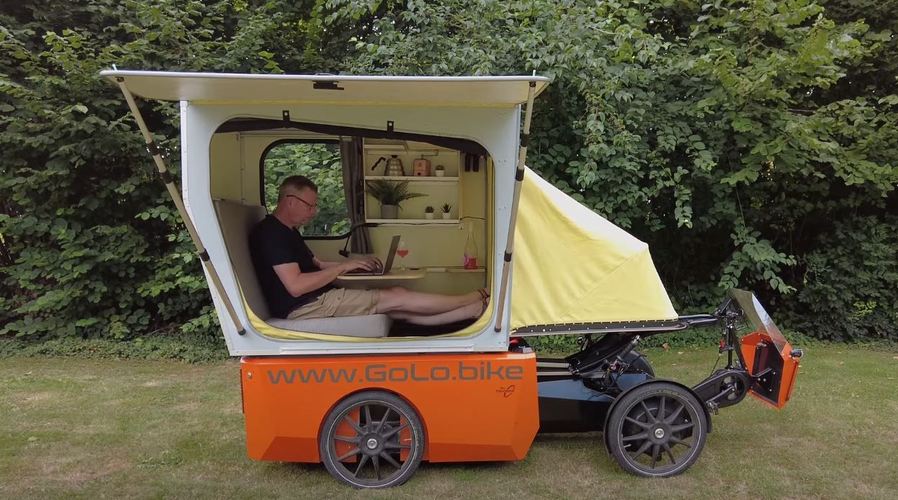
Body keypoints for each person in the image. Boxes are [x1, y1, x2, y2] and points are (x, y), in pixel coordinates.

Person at [249, 175, 488, 326]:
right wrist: (343, 267)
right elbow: (296, 286)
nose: (313, 211)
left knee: (397, 302)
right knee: (398, 296)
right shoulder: (271, 234)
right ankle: (475, 297)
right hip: (304, 307)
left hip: (317, 299)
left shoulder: (288, 231)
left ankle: (471, 310)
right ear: (290, 201)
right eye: (310, 205)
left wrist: (357, 262)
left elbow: (318, 265)